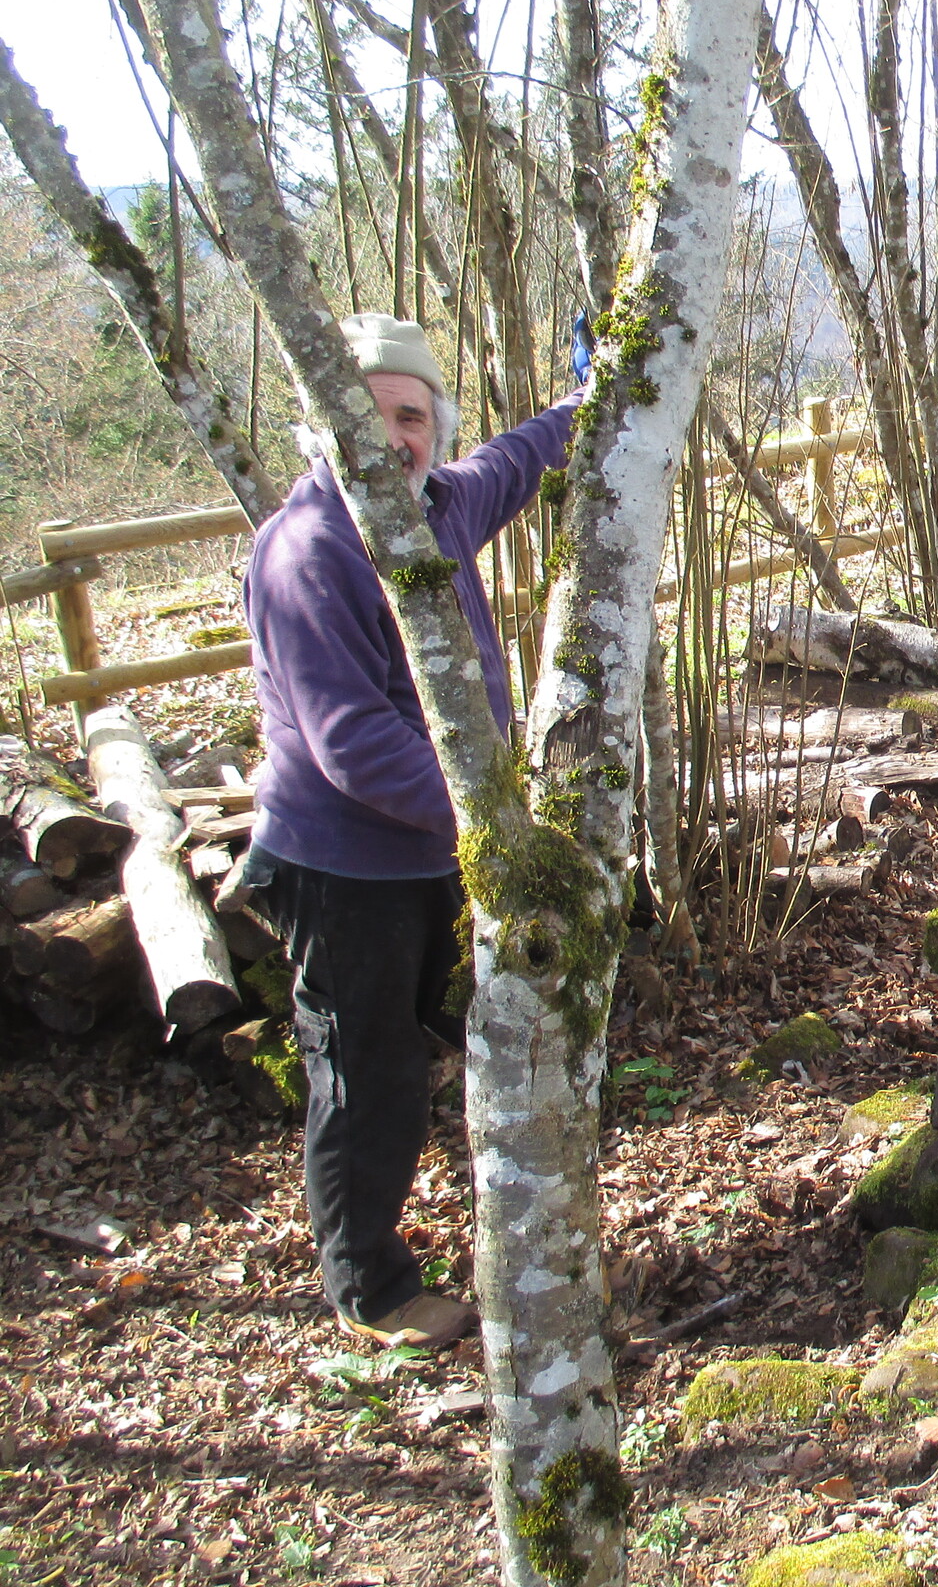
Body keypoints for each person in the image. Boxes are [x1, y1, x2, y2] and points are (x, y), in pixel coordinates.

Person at [241, 313, 579, 1349]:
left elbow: (515, 463)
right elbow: (354, 743)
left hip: (428, 850)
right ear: (323, 424)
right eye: (371, 416)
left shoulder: (432, 507)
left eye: (412, 416)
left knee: (420, 1050)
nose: (395, 438)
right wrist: (496, 820)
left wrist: (592, 396)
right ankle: (371, 1291)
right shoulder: (308, 552)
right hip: (341, 865)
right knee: (367, 1069)